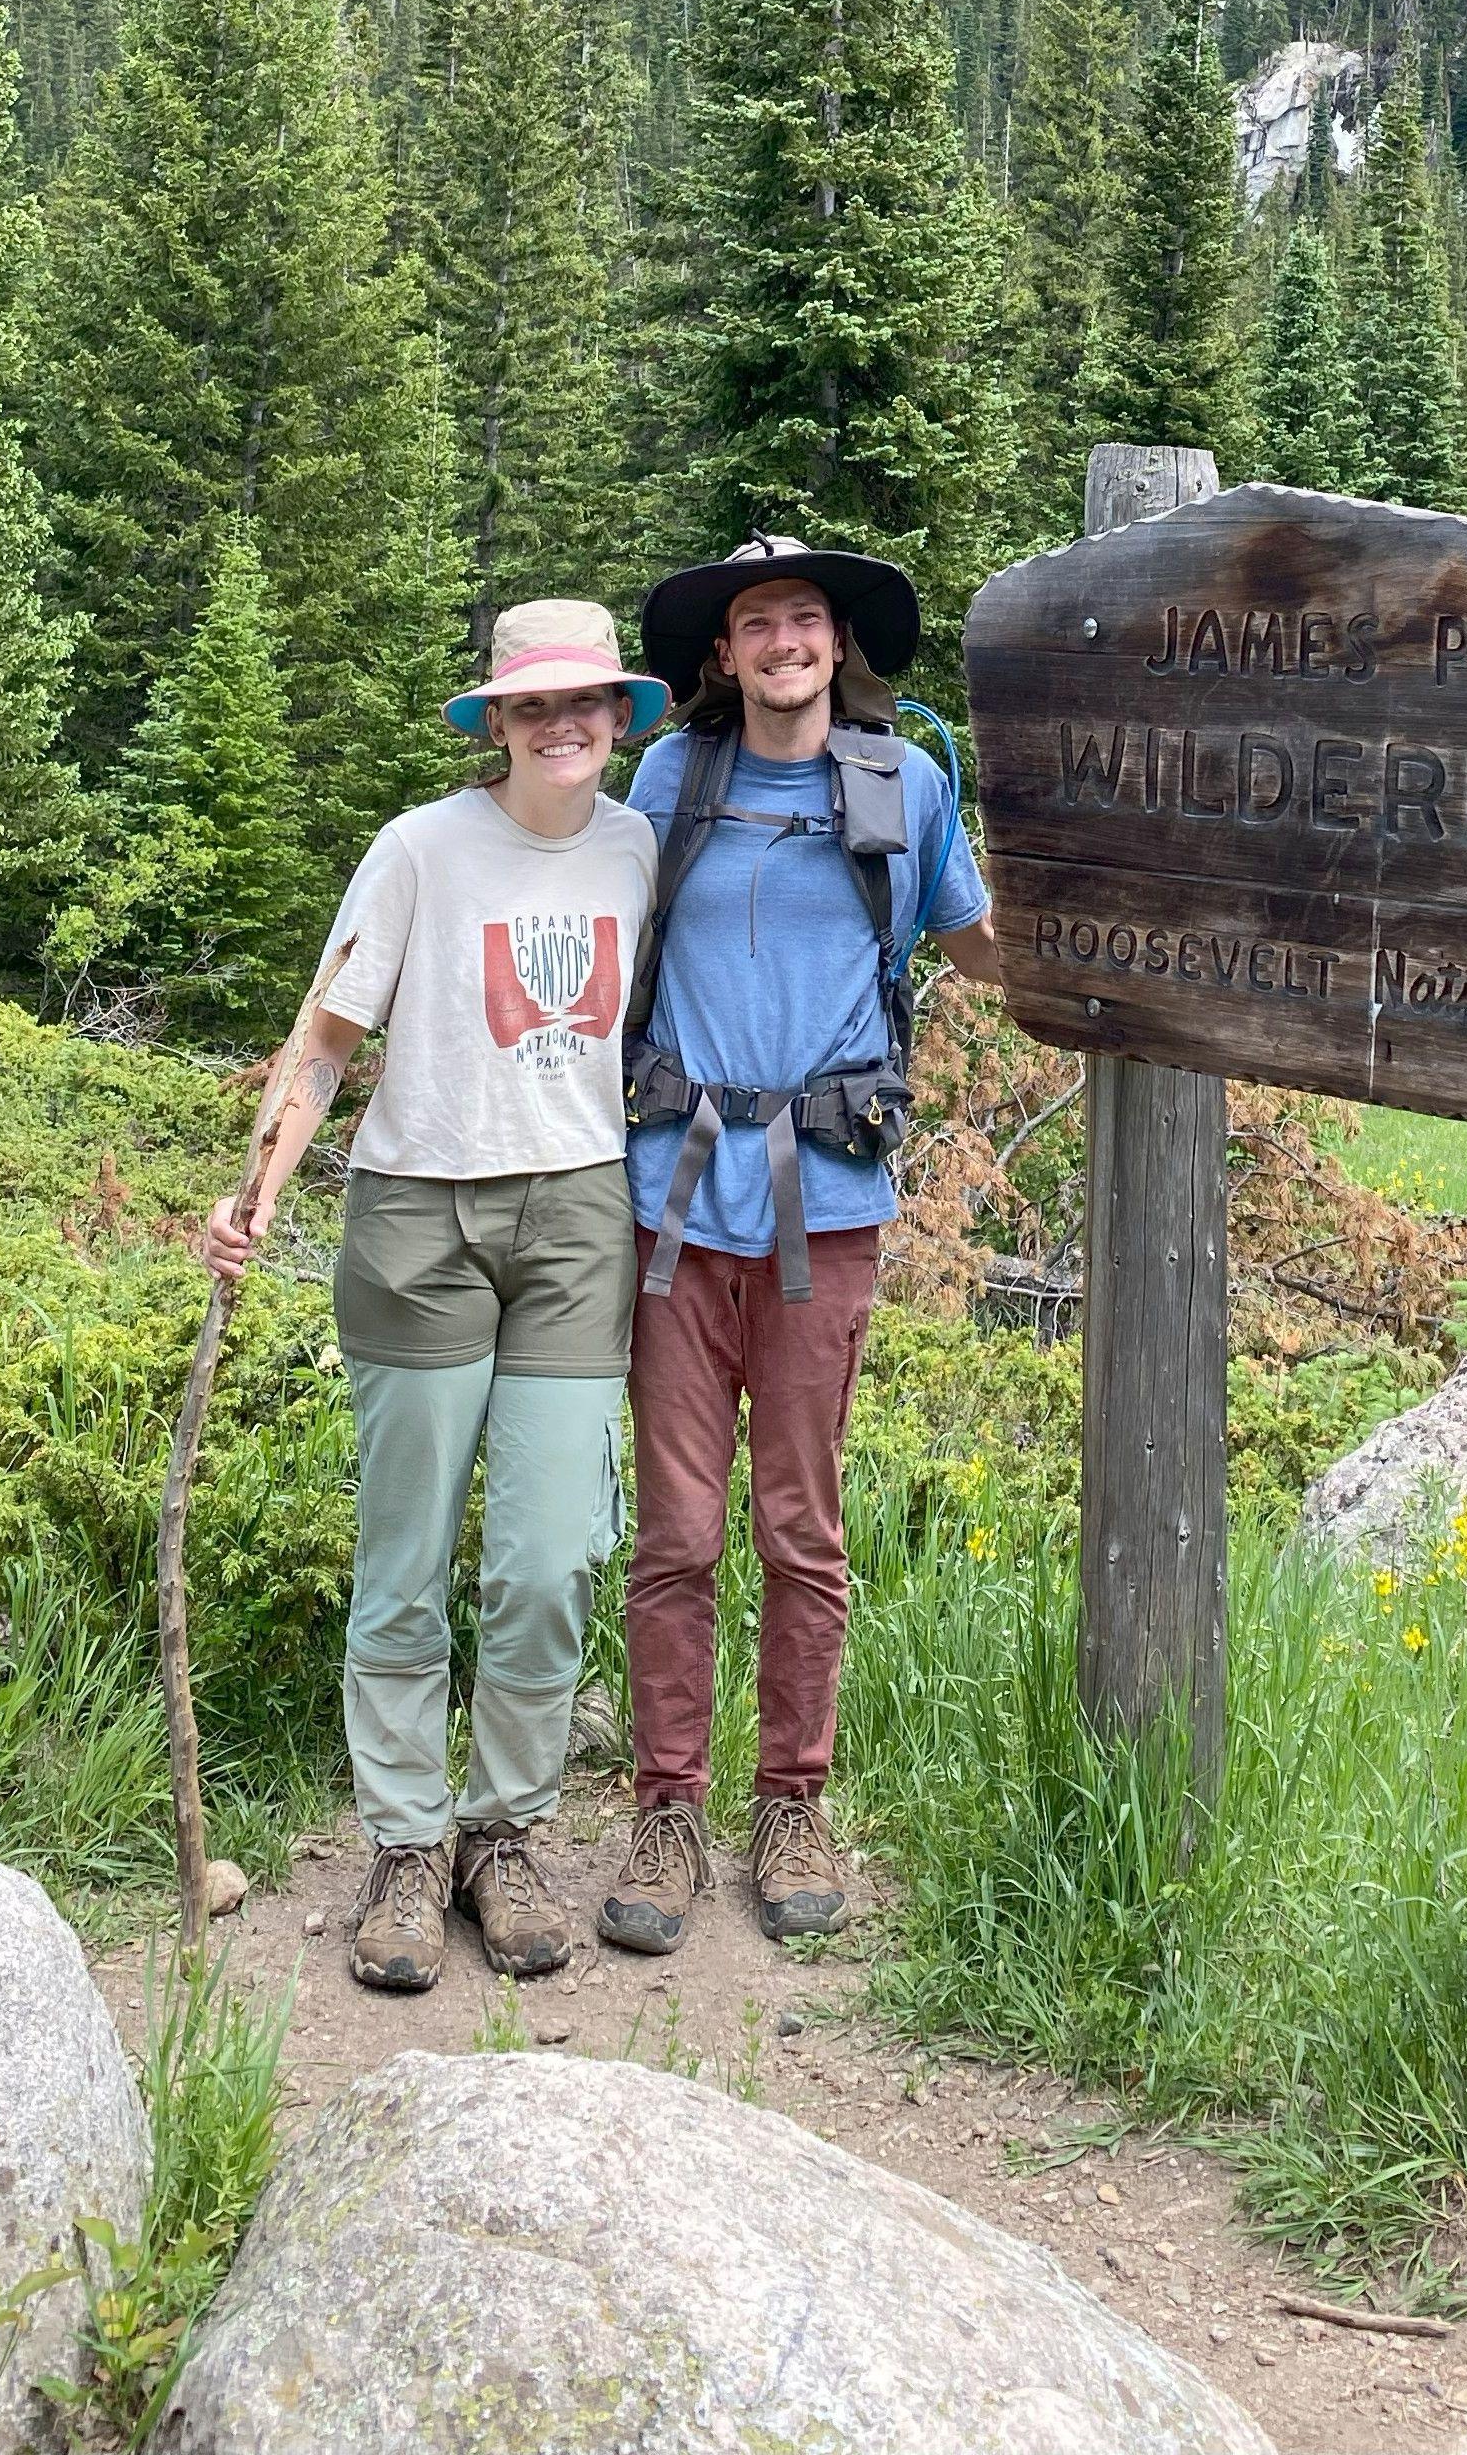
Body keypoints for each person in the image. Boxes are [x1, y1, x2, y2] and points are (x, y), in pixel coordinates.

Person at [199, 598, 667, 1994]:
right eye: (535, 707)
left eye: (587, 704)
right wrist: (263, 1186)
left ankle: (504, 1833)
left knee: (548, 1553)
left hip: (583, 1211)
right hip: (419, 1215)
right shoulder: (418, 851)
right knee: (405, 1557)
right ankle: (405, 1847)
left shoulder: (640, 846)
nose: (564, 727)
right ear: (498, 725)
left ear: (620, 717)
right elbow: (328, 1032)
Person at [595, 534, 1002, 1956]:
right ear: (722, 655)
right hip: (672, 1200)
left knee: (800, 1527)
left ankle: (791, 1802)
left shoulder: (908, 785)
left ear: (840, 647)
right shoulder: (668, 783)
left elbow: (979, 945)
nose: (783, 643)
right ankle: (665, 1811)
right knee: (680, 1530)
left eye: (806, 621)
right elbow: (587, 932)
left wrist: (1131, 958)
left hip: (828, 1204)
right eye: (758, 623)